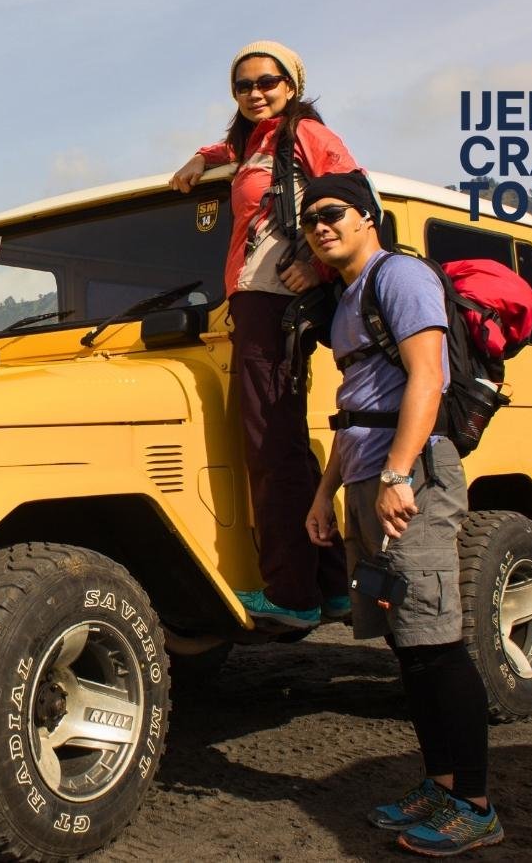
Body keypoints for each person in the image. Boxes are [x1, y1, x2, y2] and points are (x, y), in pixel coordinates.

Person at [300, 172, 503, 856]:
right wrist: (326, 492)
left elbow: (428, 375)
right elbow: (353, 406)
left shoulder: (400, 276)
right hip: (366, 476)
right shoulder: (347, 297)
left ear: (367, 217)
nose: (320, 226)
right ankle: (441, 785)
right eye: (309, 220)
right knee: (406, 642)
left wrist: (396, 474)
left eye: (332, 213)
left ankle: (474, 805)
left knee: (437, 644)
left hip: (408, 474)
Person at [169, 40, 356, 628]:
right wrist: (205, 156)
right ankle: (330, 586)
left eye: (267, 82)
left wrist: (320, 266)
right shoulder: (254, 144)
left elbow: (355, 199)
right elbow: (234, 154)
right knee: (286, 444)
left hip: (273, 299)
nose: (256, 92)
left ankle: (291, 594)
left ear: (292, 83)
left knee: (268, 444)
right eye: (244, 85)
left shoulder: (308, 136)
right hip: (251, 298)